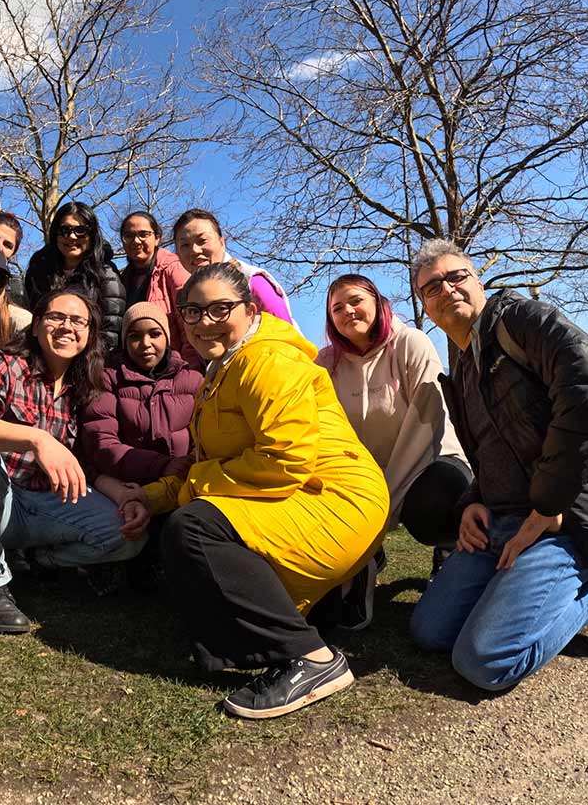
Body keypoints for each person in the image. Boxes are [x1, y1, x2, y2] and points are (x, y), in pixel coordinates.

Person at [118, 263, 389, 719]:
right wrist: (150, 496)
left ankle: (310, 659)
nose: (204, 321)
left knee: (195, 526)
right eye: (192, 311)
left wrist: (193, 493)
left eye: (220, 308)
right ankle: (329, 600)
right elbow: (204, 467)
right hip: (300, 497)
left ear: (249, 308)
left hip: (336, 500)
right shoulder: (223, 369)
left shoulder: (266, 359)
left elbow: (285, 460)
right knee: (206, 625)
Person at [408, 239, 588, 690]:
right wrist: (473, 500)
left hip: (569, 518)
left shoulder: (518, 319)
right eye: (431, 287)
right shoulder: (460, 366)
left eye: (456, 276)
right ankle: (512, 594)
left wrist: (549, 504)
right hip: (503, 520)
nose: (447, 288)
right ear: (424, 306)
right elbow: (494, 447)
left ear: (477, 280)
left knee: (484, 663)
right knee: (429, 632)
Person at [0, 289, 144, 633]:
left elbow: (85, 465)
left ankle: (37, 562)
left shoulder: (85, 385)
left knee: (128, 534)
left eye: (78, 321)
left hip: (45, 503)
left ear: (89, 334)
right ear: (37, 324)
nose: (66, 327)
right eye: (56, 317)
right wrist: (36, 438)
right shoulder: (5, 364)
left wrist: (124, 497)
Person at [314, 273, 471, 628]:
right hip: (362, 476)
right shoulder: (324, 364)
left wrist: (382, 507)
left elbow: (426, 425)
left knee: (438, 500)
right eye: (337, 308)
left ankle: (449, 553)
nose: (348, 311)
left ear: (377, 303)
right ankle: (360, 566)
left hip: (426, 462)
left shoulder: (410, 343)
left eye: (356, 300)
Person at [82, 302, 202, 487]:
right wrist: (161, 466)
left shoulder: (194, 381)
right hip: (129, 487)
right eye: (134, 336)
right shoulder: (108, 380)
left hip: (185, 483)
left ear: (167, 338)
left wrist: (186, 467)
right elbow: (101, 442)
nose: (145, 344)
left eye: (155, 334)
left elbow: (207, 437)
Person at [24, 202, 125, 351]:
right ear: (55, 233)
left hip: (88, 359)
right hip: (42, 357)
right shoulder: (39, 270)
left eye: (80, 230)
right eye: (65, 230)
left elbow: (110, 333)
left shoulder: (106, 275)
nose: (72, 236)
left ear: (91, 235)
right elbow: (31, 316)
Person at [171, 209, 297, 327]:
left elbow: (285, 331)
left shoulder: (252, 281)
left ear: (222, 242)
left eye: (202, 240)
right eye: (185, 245)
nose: (194, 250)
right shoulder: (187, 295)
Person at [118, 211, 200, 366]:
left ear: (157, 238)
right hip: (133, 365)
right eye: (128, 235)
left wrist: (190, 368)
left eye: (143, 234)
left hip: (172, 367)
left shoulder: (173, 269)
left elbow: (189, 325)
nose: (136, 241)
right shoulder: (123, 278)